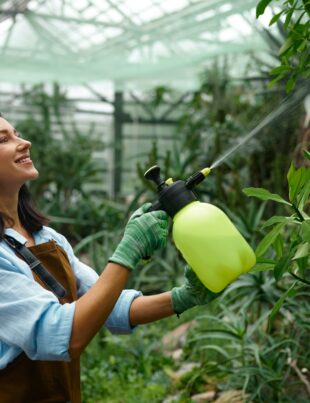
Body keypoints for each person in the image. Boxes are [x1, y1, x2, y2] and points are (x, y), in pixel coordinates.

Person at [0, 116, 217, 403]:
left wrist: (184, 297)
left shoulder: (47, 238)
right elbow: (63, 334)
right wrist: (128, 251)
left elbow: (109, 306)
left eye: (17, 134)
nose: (24, 142)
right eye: (4, 140)